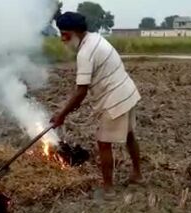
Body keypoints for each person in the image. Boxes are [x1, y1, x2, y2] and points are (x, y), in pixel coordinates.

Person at [50, 12, 143, 196]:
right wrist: (67, 110)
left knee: (103, 143)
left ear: (75, 32)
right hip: (128, 91)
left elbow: (81, 91)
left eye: (65, 34)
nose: (62, 39)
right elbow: (82, 91)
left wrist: (61, 115)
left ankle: (108, 188)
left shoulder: (85, 53)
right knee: (130, 136)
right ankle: (137, 175)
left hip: (115, 98)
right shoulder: (95, 39)